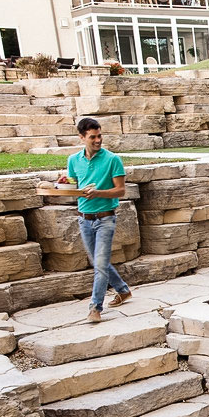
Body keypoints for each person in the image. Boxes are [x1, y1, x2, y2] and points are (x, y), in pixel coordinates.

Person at [67, 117, 130, 323]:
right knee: (98, 262)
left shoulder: (112, 159)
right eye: (92, 137)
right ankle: (122, 289)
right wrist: (59, 184)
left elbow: (120, 190)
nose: (97, 140)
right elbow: (72, 185)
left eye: (99, 136)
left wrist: (99, 193)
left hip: (106, 219)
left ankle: (95, 307)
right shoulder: (73, 160)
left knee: (100, 265)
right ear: (82, 138)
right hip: (84, 219)